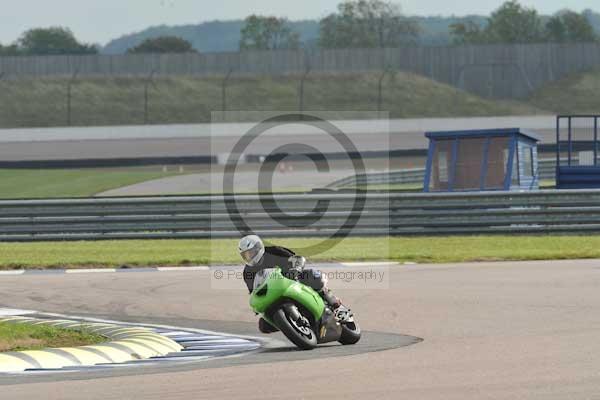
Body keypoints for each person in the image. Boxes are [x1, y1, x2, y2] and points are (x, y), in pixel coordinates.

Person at [239, 234, 351, 333]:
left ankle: (336, 305)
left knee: (313, 276)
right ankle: (289, 324)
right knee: (263, 326)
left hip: (292, 279)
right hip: (273, 293)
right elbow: (254, 291)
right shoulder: (247, 272)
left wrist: (296, 269)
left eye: (251, 253)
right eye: (246, 255)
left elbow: (297, 258)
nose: (249, 257)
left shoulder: (274, 251)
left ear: (259, 248)